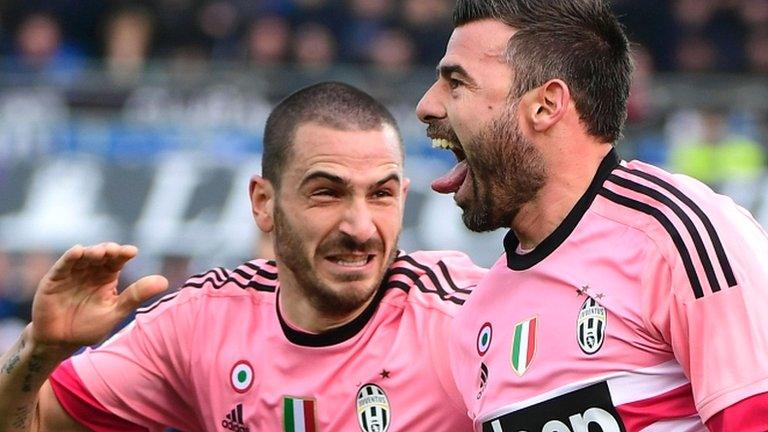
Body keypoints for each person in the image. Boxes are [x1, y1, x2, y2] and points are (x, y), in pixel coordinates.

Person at [0, 82, 485, 431]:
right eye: (326, 194)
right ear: (264, 203)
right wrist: (40, 350)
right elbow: (34, 421)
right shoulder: (200, 324)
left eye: (380, 195)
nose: (359, 228)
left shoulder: (465, 319)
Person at [416, 1, 768, 431]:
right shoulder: (475, 318)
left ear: (546, 105)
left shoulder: (679, 235)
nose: (427, 106)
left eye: (456, 83)